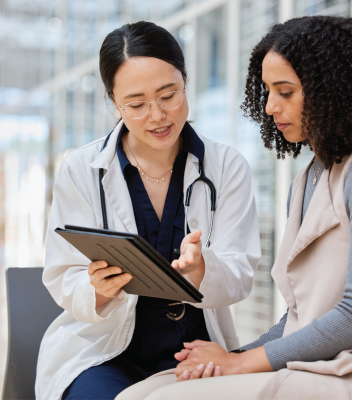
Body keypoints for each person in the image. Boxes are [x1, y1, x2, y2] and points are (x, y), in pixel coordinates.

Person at [116, 15, 352, 400]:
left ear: (333, 90)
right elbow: (298, 317)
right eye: (267, 91)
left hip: (339, 367)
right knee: (139, 392)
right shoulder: (308, 178)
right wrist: (233, 355)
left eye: (286, 92)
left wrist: (243, 363)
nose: (271, 106)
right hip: (313, 359)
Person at [34, 21, 261, 400]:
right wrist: (98, 291)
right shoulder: (80, 169)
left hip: (196, 347)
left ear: (185, 81)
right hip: (103, 353)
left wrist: (206, 270)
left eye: (169, 95)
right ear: (114, 103)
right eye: (136, 105)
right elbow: (62, 274)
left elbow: (241, 272)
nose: (157, 115)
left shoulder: (228, 166)